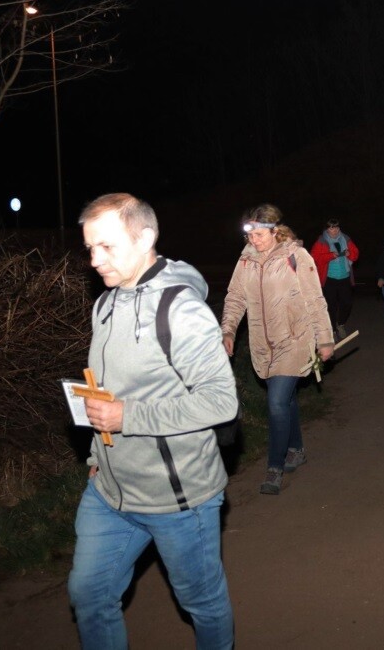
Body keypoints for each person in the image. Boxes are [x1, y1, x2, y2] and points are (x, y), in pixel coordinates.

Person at [69, 193, 239, 650]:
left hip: (178, 500)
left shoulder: (180, 310)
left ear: (145, 238)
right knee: (88, 593)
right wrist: (95, 454)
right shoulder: (104, 305)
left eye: (106, 247)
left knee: (200, 602)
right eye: (89, 248)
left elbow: (222, 401)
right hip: (109, 491)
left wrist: (129, 416)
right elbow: (105, 392)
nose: (94, 260)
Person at [222, 205, 334, 495]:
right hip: (262, 344)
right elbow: (235, 298)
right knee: (285, 401)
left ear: (275, 231)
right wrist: (228, 331)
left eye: (259, 235)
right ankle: (296, 448)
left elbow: (315, 300)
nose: (254, 241)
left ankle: (274, 467)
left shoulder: (296, 257)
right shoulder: (246, 261)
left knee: (275, 403)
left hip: (294, 340)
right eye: (250, 236)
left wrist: (324, 339)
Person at [309, 217, 359, 342]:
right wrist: (331, 255)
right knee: (331, 306)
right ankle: (332, 329)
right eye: (331, 228)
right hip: (329, 279)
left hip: (344, 278)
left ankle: (340, 324)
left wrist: (349, 254)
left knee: (347, 303)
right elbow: (314, 258)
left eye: (336, 227)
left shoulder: (346, 239)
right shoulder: (321, 241)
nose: (334, 230)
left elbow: (356, 254)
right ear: (327, 229)